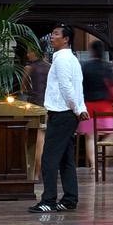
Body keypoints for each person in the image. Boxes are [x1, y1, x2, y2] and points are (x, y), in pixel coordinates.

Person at [30, 23, 86, 213]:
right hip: (69, 113)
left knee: (49, 158)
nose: (51, 37)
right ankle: (69, 199)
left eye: (55, 34)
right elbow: (79, 86)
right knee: (65, 158)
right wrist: (80, 108)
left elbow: (66, 87)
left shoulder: (62, 60)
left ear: (66, 39)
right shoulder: (72, 59)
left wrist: (77, 108)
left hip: (62, 113)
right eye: (52, 34)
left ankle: (48, 200)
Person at [78, 41, 113, 176]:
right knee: (110, 135)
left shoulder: (85, 66)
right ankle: (101, 152)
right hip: (105, 106)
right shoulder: (107, 67)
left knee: (90, 137)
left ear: (92, 51)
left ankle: (94, 167)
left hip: (88, 105)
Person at [21, 39, 51, 182]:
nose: (27, 54)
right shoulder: (51, 67)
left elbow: (22, 88)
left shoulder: (29, 68)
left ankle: (35, 174)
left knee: (38, 142)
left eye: (29, 51)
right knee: (46, 141)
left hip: (35, 108)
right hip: (51, 108)